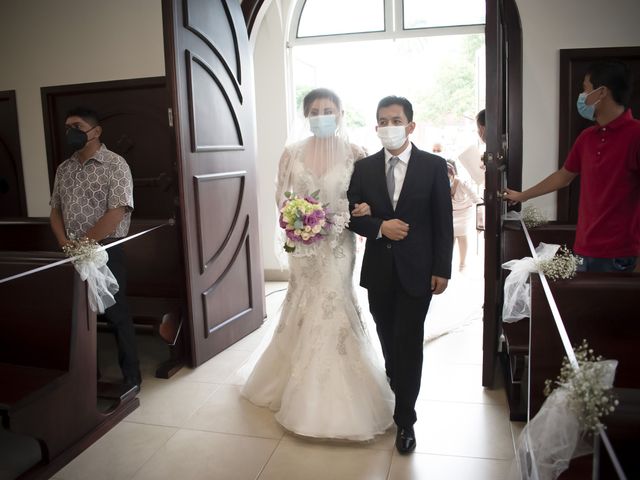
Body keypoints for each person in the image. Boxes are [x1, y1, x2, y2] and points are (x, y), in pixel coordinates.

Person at [241, 88, 394, 441]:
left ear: (340, 113)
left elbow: (371, 198)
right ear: (306, 116)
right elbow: (281, 194)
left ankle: (338, 392)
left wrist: (361, 211)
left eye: (328, 109)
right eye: (314, 110)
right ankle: (291, 380)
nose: (321, 115)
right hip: (304, 245)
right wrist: (295, 218)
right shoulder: (292, 152)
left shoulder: (357, 153)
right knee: (301, 301)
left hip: (339, 245)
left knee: (334, 302)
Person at [347, 96, 454, 454]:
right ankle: (395, 376)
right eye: (382, 121)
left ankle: (405, 419)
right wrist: (379, 226)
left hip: (418, 271)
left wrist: (442, 269)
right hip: (379, 270)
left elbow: (443, 222)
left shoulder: (434, 166)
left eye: (395, 120)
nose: (388, 126)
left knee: (408, 341)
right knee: (386, 334)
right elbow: (353, 215)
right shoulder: (363, 169)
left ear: (410, 125)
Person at [504, 61, 640, 272]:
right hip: (585, 247)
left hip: (621, 254)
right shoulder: (587, 137)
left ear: (601, 92)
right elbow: (563, 176)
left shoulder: (636, 135)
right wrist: (522, 196)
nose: (582, 96)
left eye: (585, 89)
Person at [50, 107, 141, 389]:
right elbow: (55, 211)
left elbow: (117, 211)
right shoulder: (64, 169)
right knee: (76, 316)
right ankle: (88, 378)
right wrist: (66, 244)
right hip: (72, 251)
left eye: (77, 126)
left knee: (116, 314)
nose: (71, 133)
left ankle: (131, 377)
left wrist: (86, 243)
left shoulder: (115, 164)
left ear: (96, 131)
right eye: (67, 128)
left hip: (106, 249)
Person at [447, 160, 482, 272]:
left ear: (453, 174)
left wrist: (480, 220)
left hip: (464, 212)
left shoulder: (462, 183)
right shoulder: (440, 183)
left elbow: (476, 199)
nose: (446, 179)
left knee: (461, 234)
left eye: (448, 177)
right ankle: (447, 262)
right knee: (449, 236)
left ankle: (462, 264)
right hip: (450, 213)